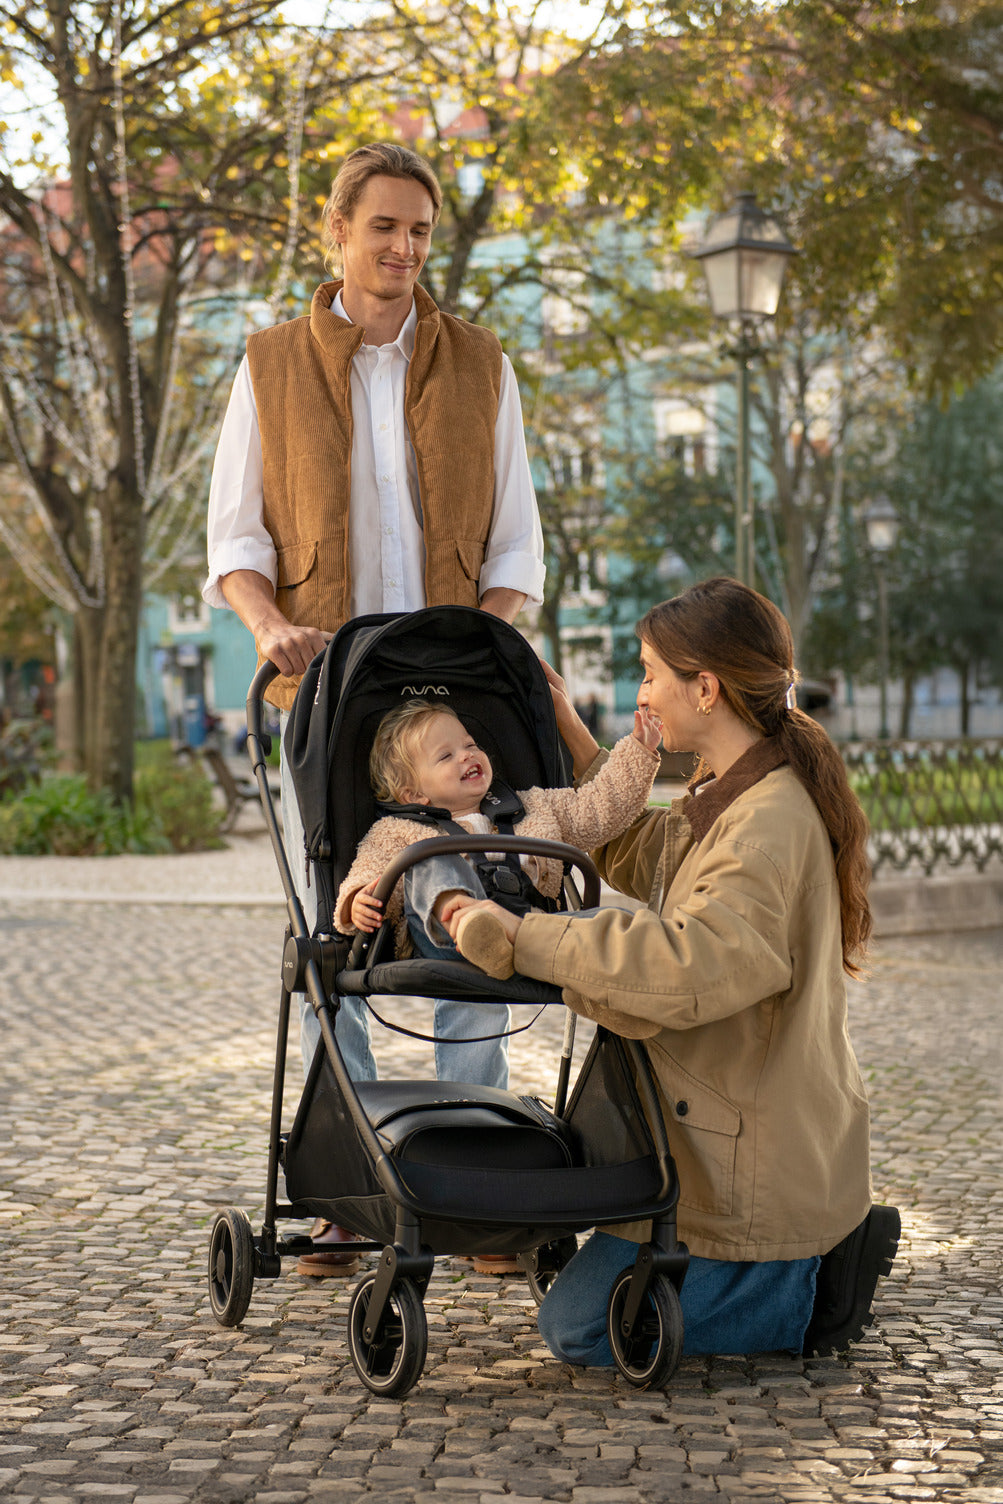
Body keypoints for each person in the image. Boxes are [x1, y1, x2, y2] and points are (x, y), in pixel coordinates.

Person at [202, 141, 545, 1275]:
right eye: (382, 227)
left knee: (471, 927)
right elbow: (237, 545)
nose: (401, 249)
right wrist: (269, 630)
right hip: (329, 695)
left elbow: (515, 555)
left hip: (453, 706)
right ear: (336, 234)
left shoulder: (483, 366)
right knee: (335, 937)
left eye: (418, 231)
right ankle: (350, 1187)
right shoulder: (267, 366)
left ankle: (480, 1185)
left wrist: (490, 653)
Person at [444, 576, 900, 1359]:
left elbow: (687, 967)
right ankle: (798, 1254)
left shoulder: (766, 823)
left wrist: (522, 938)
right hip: (716, 1130)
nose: (643, 689)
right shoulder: (729, 787)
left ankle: (814, 1285)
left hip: (750, 1170)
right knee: (585, 1307)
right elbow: (645, 855)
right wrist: (576, 738)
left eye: (652, 671)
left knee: (579, 1330)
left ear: (706, 687)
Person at [336, 696, 661, 977]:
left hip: (528, 927)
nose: (467, 755)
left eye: (470, 744)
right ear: (413, 793)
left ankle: (620, 1003)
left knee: (618, 922)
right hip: (448, 941)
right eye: (445, 756)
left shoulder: (534, 807)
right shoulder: (399, 831)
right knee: (426, 858)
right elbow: (367, 872)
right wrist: (355, 902)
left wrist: (637, 754)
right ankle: (470, 922)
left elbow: (599, 810)